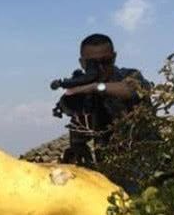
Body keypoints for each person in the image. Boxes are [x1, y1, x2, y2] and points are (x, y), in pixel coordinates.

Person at [59, 33, 153, 192]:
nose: (100, 68)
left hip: (147, 164)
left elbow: (136, 89)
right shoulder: (83, 91)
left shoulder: (128, 76)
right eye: (93, 64)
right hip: (110, 170)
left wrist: (97, 87)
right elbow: (78, 131)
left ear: (114, 57)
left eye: (106, 61)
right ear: (82, 63)